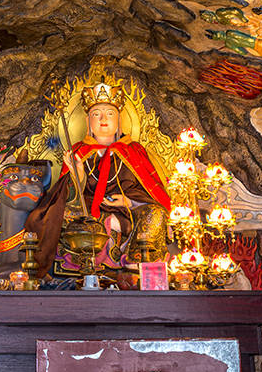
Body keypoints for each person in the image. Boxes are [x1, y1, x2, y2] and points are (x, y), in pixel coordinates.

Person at [24, 78, 171, 275]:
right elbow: (64, 195)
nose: (103, 118)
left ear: (119, 120)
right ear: (88, 122)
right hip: (89, 209)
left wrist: (129, 201)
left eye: (110, 113)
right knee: (62, 215)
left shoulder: (133, 151)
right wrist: (79, 176)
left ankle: (135, 260)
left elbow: (151, 192)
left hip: (128, 212)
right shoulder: (79, 151)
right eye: (96, 114)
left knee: (156, 213)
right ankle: (85, 260)